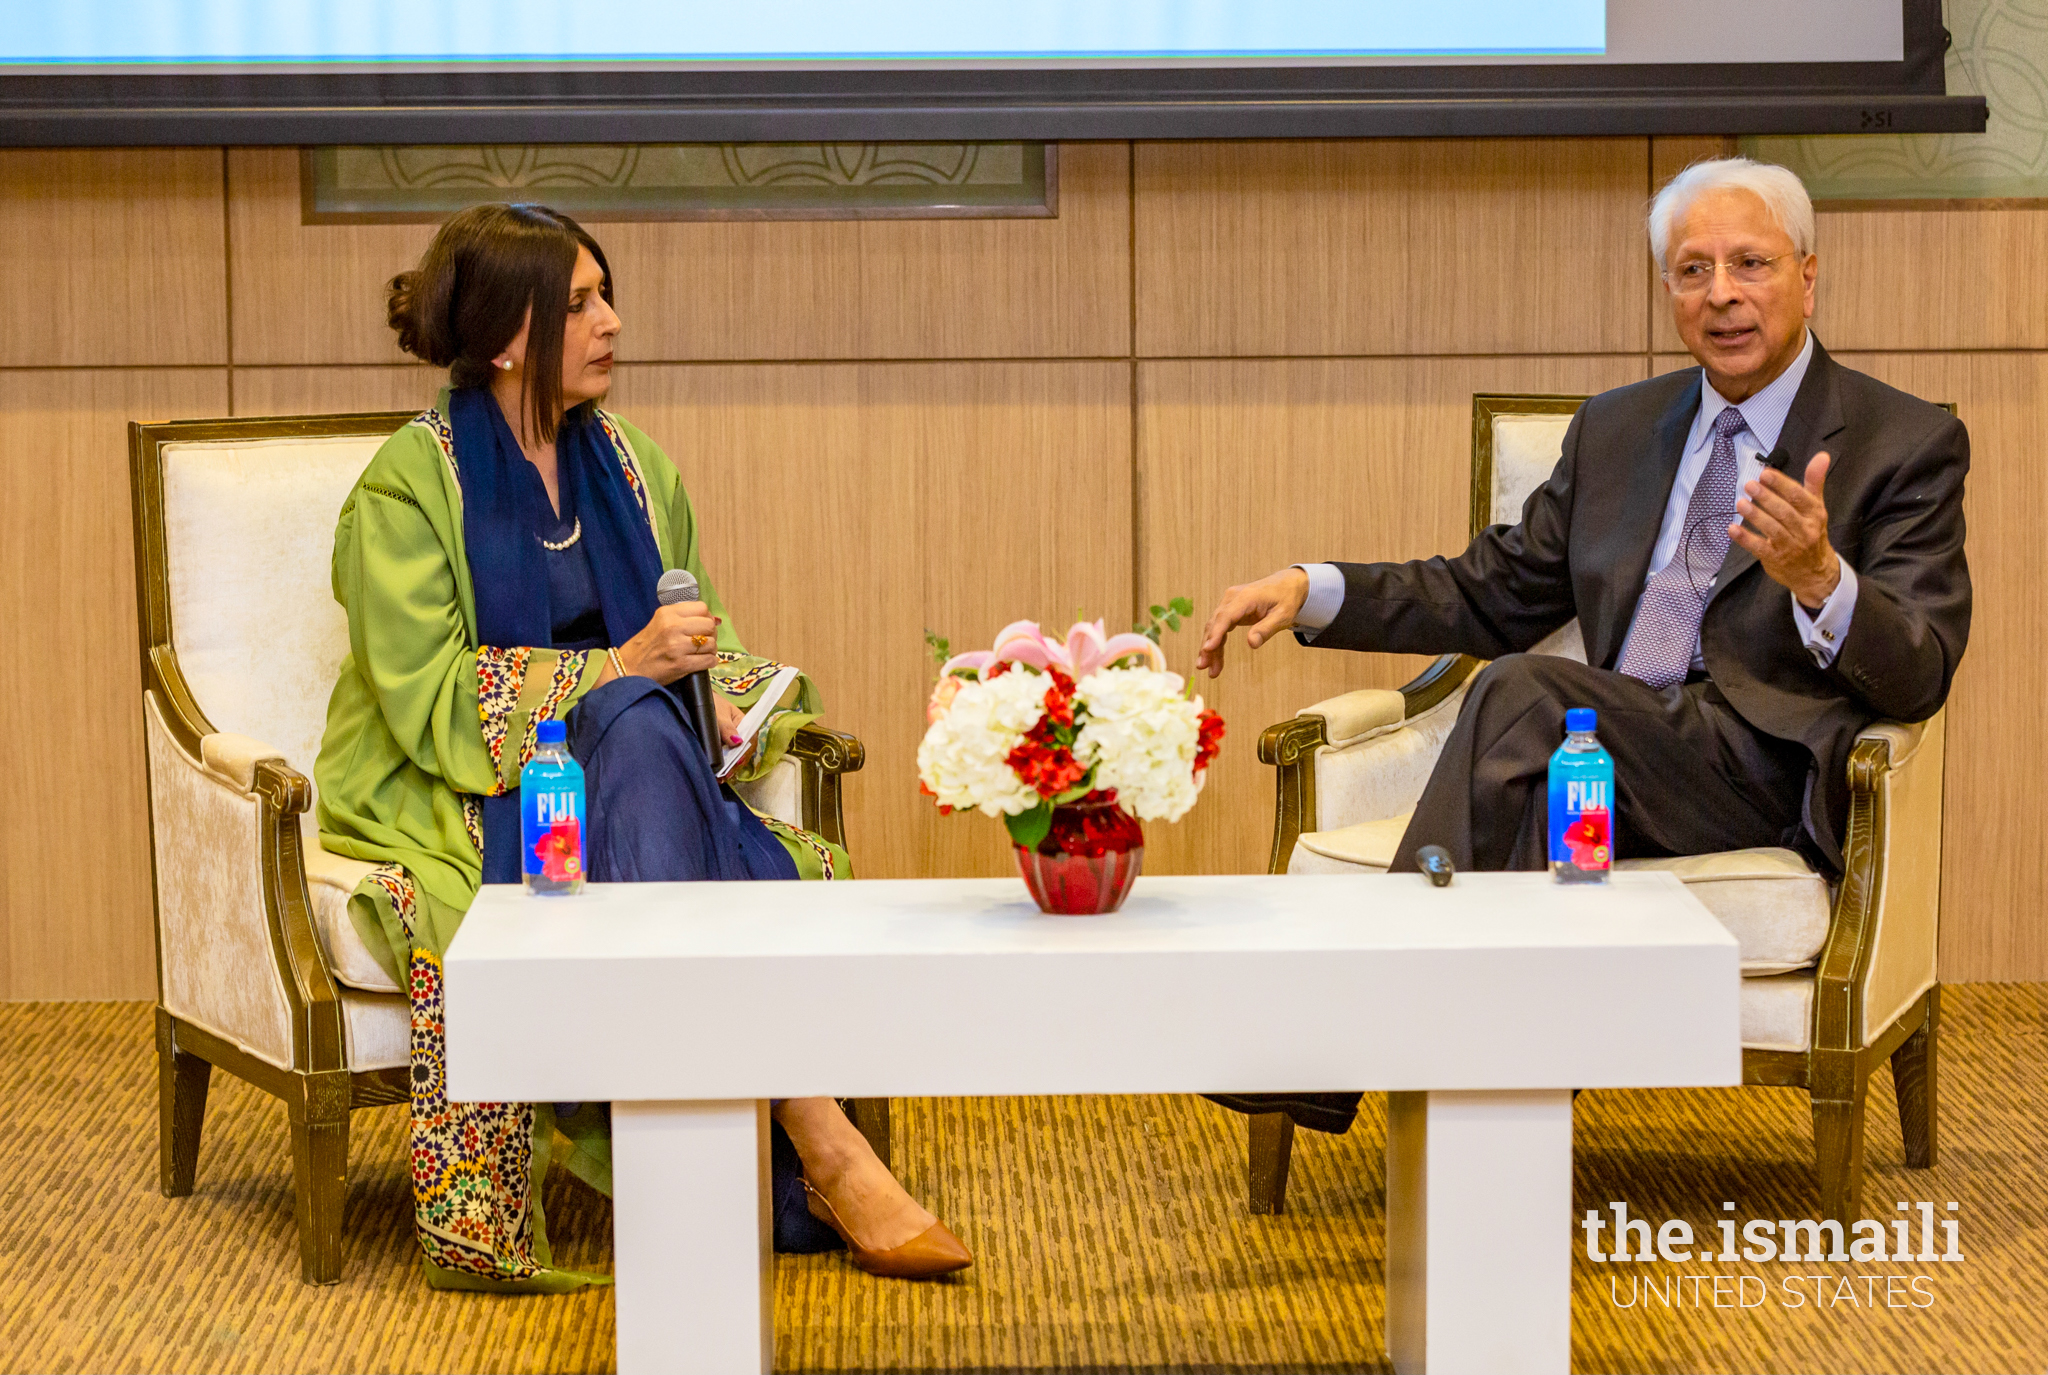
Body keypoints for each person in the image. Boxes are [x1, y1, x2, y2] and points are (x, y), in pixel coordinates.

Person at [1194, 157, 1971, 1137]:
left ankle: (1344, 1030)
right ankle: (1503, 1113)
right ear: (1666, 293)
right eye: (1691, 271)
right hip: (1599, 763)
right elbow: (1491, 591)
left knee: (1524, 703)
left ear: (1805, 276)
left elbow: (1919, 670)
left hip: (1758, 769)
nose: (1720, 294)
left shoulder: (1898, 443)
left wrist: (1820, 576)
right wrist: (1316, 589)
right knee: (1533, 762)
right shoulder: (1617, 427)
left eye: (1748, 264)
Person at [315, 203, 970, 1287]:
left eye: (606, 294)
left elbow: (696, 630)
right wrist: (620, 671)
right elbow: (427, 700)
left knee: (638, 735)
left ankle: (719, 1156)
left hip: (635, 774)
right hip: (466, 782)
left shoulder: (629, 462)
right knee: (624, 724)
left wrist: (722, 693)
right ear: (505, 334)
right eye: (579, 304)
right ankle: (817, 1135)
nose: (612, 321)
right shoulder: (408, 483)